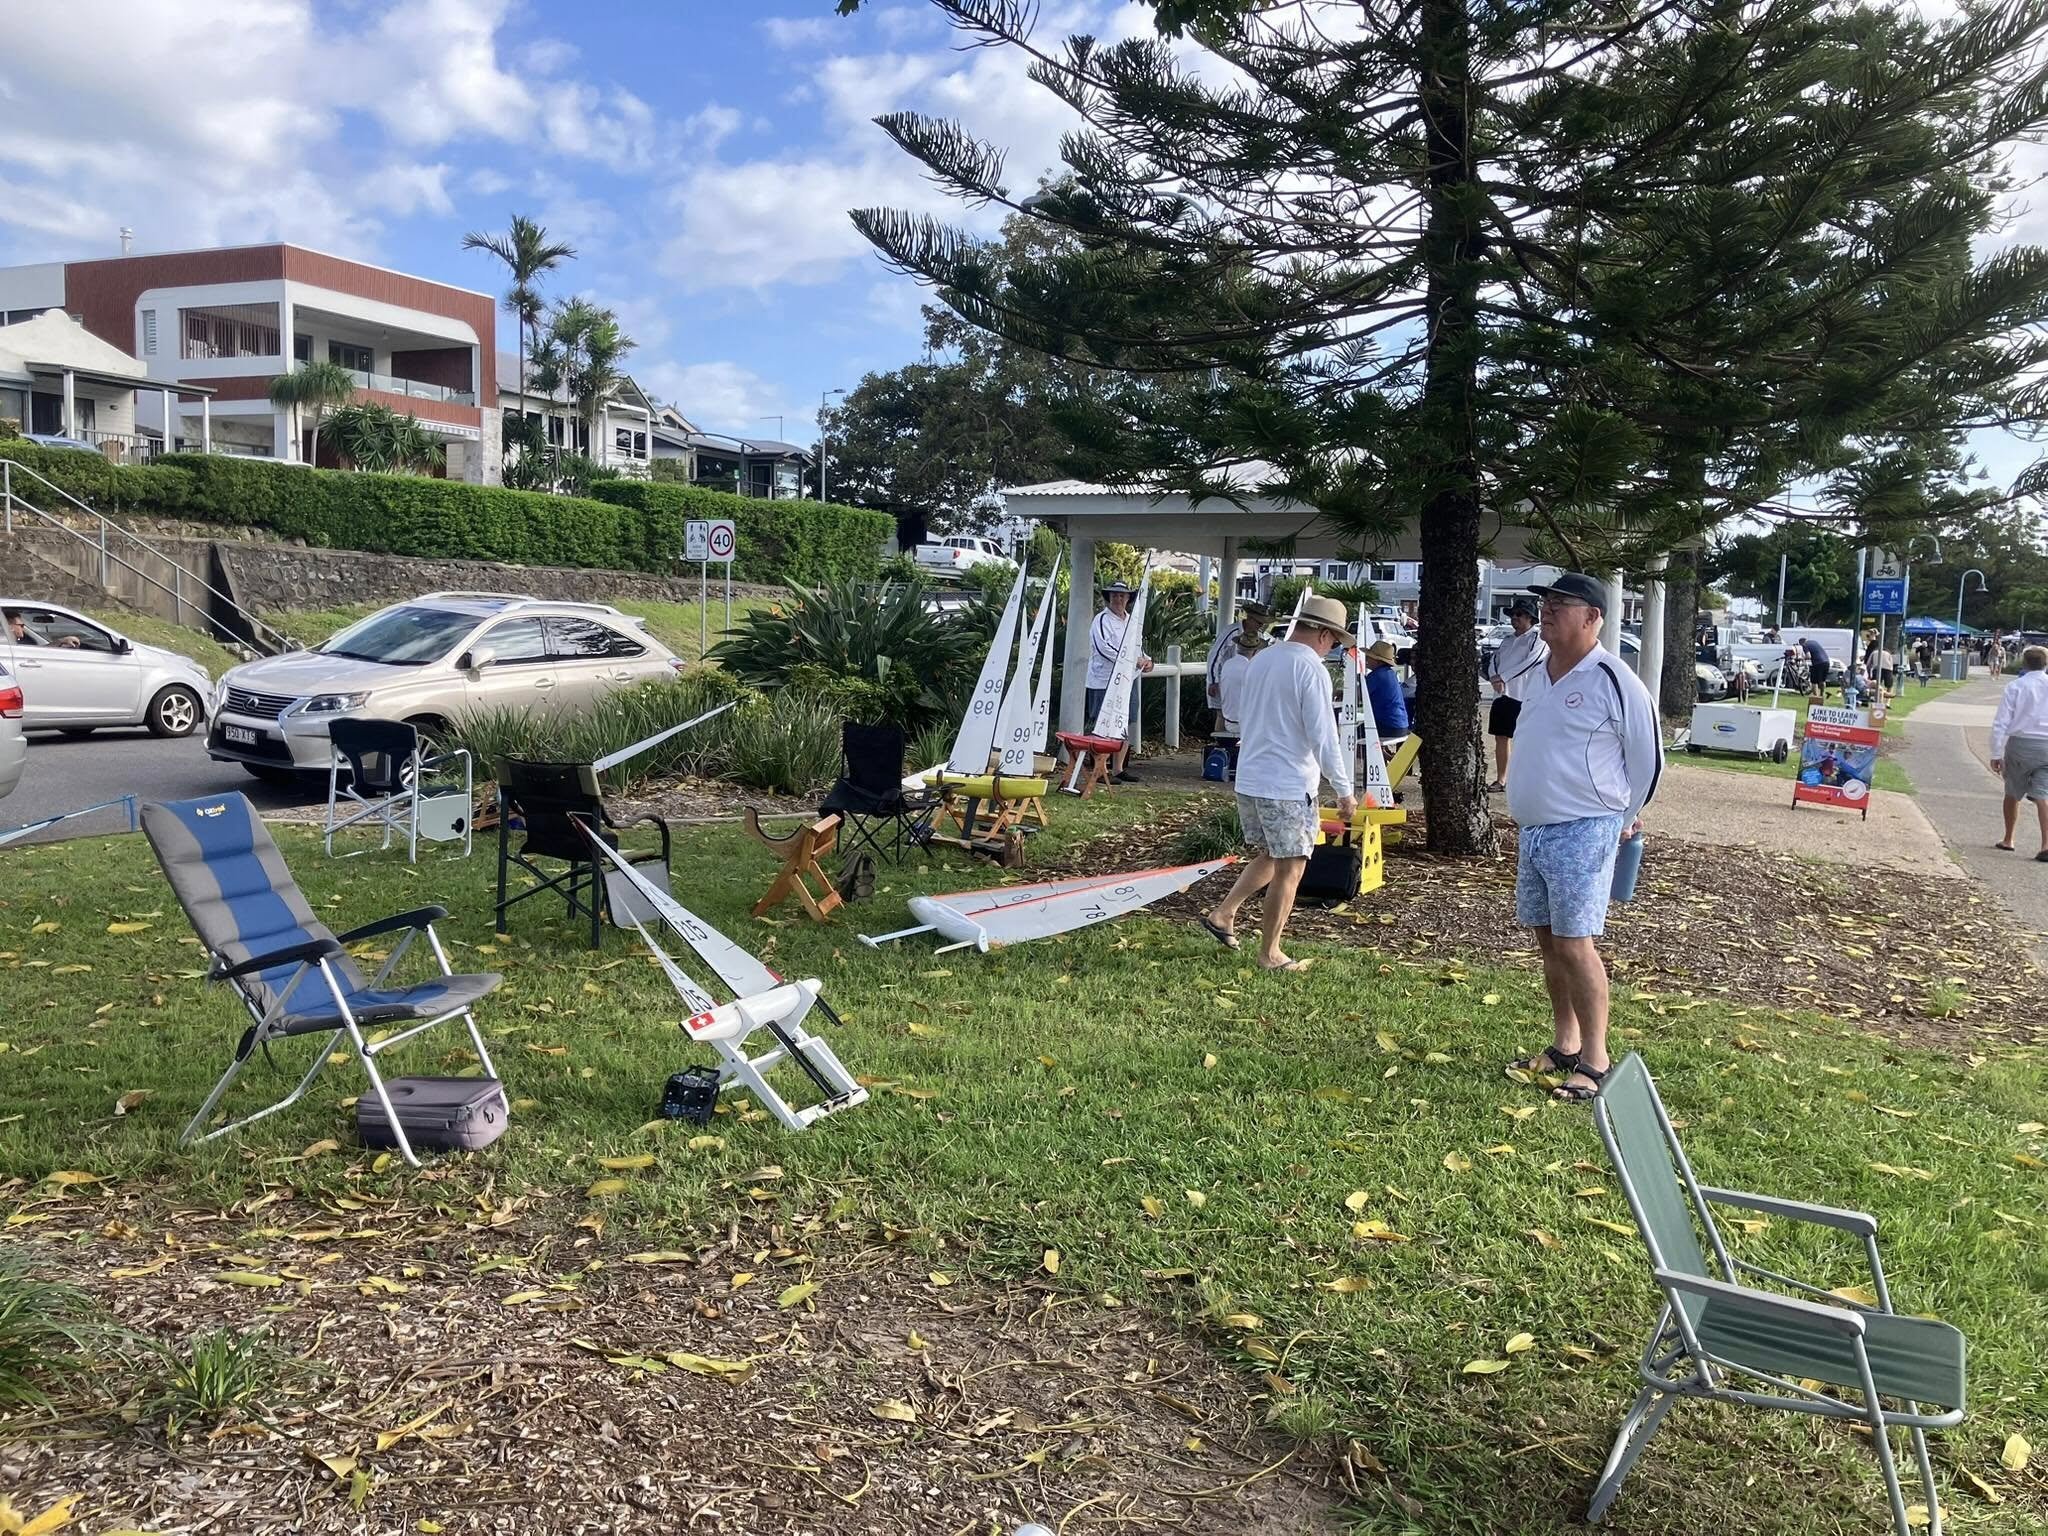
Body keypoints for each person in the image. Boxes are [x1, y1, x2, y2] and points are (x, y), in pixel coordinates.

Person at [1502, 572, 1663, 1103]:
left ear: (1593, 617)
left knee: (1575, 943)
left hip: (1585, 826)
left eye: (1561, 604)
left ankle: (1596, 1060)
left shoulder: (1615, 679)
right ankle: (1565, 1043)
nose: (1546, 611)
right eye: (1545, 602)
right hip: (1535, 828)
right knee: (1548, 939)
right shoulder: (1537, 670)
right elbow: (1500, 675)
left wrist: (1625, 817)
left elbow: (1648, 761)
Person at [1201, 593, 1356, 972]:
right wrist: (1344, 789)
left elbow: (1243, 714)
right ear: (1323, 634)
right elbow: (1324, 736)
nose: (1333, 648)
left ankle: (1224, 914)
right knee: (1292, 866)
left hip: (1250, 778)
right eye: (1335, 640)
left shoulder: (1262, 659)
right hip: (1287, 785)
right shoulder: (1311, 668)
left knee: (1273, 854)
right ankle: (1270, 953)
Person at [1085, 579, 1154, 783]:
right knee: (1103, 723)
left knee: (1125, 722)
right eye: (1114, 595)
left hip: (1127, 680)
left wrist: (1147, 660)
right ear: (1109, 598)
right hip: (1104, 680)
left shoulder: (1132, 621)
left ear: (1128, 599)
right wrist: (1132, 660)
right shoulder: (1101, 620)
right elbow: (1103, 648)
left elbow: (1137, 648)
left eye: (1122, 595)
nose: (1118, 599)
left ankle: (1118, 768)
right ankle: (1099, 769)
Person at [1989, 644, 2048, 861]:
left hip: (2021, 744)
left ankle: (2009, 838)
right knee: (2043, 794)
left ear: (2024, 663)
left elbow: (2001, 722)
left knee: (2013, 791)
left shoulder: (2015, 686)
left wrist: (1996, 752)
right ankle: (2046, 843)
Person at [1485, 598, 1547, 792]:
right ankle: (1501, 779)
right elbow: (1494, 660)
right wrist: (1494, 677)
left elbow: (1532, 662)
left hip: (1524, 695)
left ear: (1530, 618)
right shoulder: (1507, 640)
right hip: (1502, 695)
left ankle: (1525, 780)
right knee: (1501, 737)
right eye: (1512, 614)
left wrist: (1503, 677)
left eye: (1519, 614)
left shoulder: (1537, 639)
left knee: (1525, 739)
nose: (1514, 618)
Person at [1206, 598, 1269, 720]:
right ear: (1250, 618)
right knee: (1222, 714)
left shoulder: (1259, 636)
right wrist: (1213, 680)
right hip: (1222, 677)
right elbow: (1215, 654)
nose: (1261, 626)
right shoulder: (1232, 631)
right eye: (1259, 622)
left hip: (1242, 680)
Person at [1362, 639, 1409, 756]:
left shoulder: (1376, 676)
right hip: (1402, 725)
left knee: (1355, 732)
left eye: (1370, 657)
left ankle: (1372, 762)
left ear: (1378, 661)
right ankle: (1385, 758)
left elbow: (1359, 695)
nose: (1367, 659)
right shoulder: (1391, 674)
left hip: (1389, 726)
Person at [5, 611, 80, 649]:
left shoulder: (16, 642)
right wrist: (60, 641)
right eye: (21, 625)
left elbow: (40, 650)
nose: (23, 628)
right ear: (10, 626)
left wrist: (61, 641)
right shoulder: (6, 644)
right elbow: (36, 654)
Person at [1800, 634, 1830, 702]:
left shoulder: (1805, 645)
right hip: (1826, 661)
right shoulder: (1814, 642)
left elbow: (1808, 656)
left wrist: (1802, 658)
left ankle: (1816, 697)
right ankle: (1821, 695)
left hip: (1817, 663)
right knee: (1822, 681)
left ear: (1801, 643)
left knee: (1814, 681)